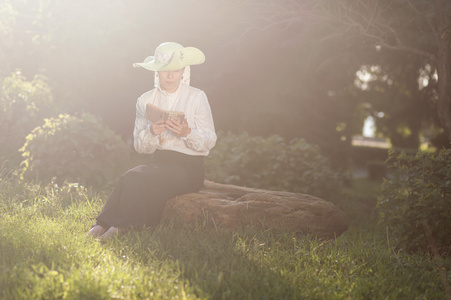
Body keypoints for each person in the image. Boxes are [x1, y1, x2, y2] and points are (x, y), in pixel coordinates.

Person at [87, 42, 217, 240]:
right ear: (157, 71)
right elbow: (141, 148)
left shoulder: (197, 97)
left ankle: (119, 228)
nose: (171, 75)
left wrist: (187, 133)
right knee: (129, 176)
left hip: (189, 168)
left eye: (175, 70)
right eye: (165, 70)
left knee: (139, 178)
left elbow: (210, 140)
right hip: (160, 162)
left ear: (183, 70)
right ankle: (101, 225)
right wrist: (151, 132)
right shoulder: (145, 100)